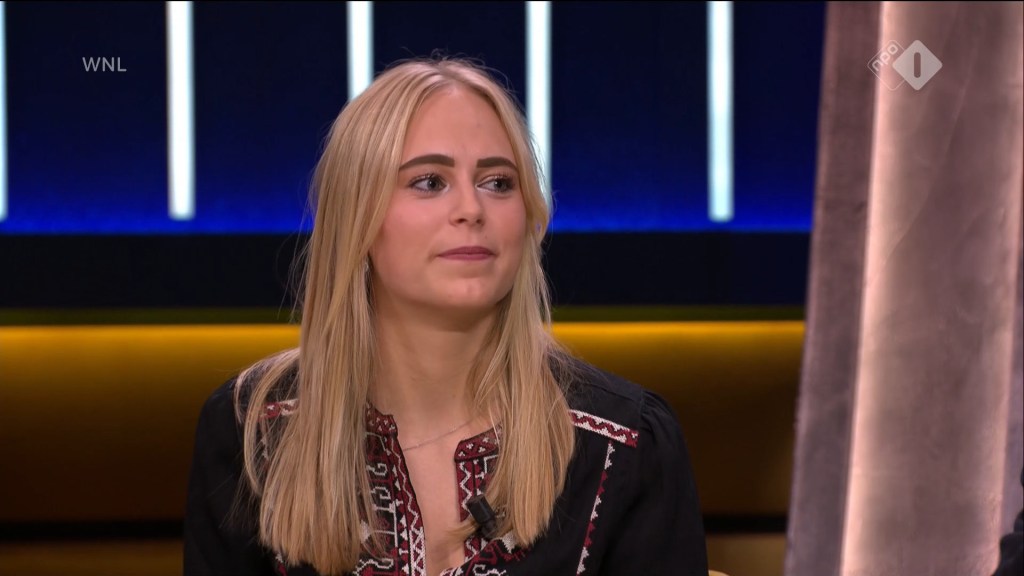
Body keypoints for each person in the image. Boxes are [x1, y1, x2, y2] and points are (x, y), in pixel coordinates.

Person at [183, 56, 708, 576]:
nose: (472, 210)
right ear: (357, 215)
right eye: (430, 181)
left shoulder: (624, 444)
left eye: (497, 182)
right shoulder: (254, 431)